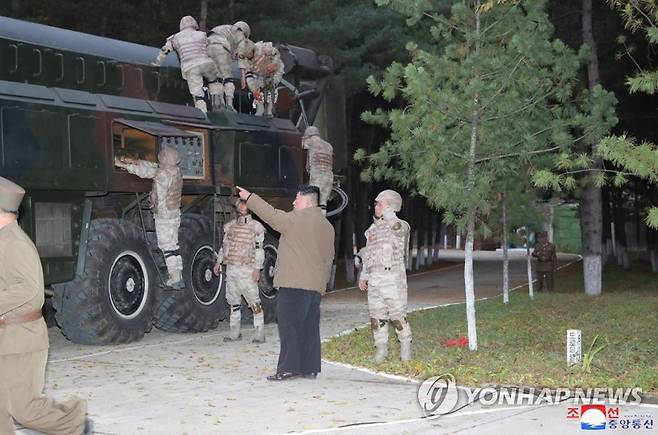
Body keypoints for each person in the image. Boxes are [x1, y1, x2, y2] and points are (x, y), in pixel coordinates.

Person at [0, 176, 93, 435]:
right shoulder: (3, 240)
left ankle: (74, 422)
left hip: (20, 341)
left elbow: (30, 291)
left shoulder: (15, 243)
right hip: (7, 338)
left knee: (23, 408)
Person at [237, 185, 334, 381]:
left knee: (289, 327)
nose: (293, 203)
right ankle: (309, 367)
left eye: (296, 199)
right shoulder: (327, 226)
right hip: (314, 287)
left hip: (293, 284)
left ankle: (289, 368)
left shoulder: (296, 219)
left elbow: (271, 215)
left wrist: (250, 198)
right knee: (309, 327)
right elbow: (328, 258)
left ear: (307, 202)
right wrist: (322, 284)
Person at [115, 147, 184, 289]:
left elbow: (145, 171)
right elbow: (153, 166)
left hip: (164, 217)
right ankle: (178, 275)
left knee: (167, 247)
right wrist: (133, 161)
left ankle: (175, 278)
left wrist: (123, 165)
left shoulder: (163, 174)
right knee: (174, 246)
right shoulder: (175, 171)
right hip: (174, 214)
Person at [358, 190, 412, 362]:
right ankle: (381, 350)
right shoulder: (372, 230)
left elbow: (397, 229)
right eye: (376, 203)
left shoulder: (400, 226)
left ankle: (406, 351)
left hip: (392, 281)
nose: (376, 206)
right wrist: (363, 276)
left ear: (391, 206)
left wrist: (389, 212)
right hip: (375, 281)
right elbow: (369, 254)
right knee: (376, 318)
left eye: (380, 203)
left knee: (397, 317)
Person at [213, 198, 266, 343]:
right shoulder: (230, 227)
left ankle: (259, 332)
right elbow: (224, 247)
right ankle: (234, 332)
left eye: (244, 204)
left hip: (247, 270)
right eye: (239, 204)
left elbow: (259, 250)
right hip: (231, 270)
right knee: (233, 303)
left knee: (254, 303)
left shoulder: (256, 227)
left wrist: (257, 268)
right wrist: (218, 263)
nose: (241, 206)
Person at [153, 15, 222, 113]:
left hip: (190, 67)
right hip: (206, 63)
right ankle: (218, 104)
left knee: (198, 95)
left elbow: (165, 51)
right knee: (214, 81)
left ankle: (203, 113)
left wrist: (157, 64)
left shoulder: (174, 38)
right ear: (194, 24)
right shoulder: (203, 35)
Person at [207, 21, 252, 111]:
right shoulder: (239, 32)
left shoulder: (223, 28)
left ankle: (216, 103)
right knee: (228, 78)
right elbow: (241, 53)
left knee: (216, 77)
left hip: (208, 47)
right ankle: (229, 105)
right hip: (222, 48)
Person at [237, 40, 285, 118]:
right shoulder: (245, 61)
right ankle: (260, 111)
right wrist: (254, 90)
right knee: (258, 91)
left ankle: (269, 112)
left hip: (275, 71)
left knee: (269, 87)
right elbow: (249, 76)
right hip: (260, 74)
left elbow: (276, 53)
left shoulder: (262, 48)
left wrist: (274, 64)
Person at [302, 126, 333, 212]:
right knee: (323, 204)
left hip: (317, 175)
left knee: (313, 202)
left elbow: (301, 146)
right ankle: (322, 221)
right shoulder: (329, 146)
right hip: (329, 177)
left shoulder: (311, 141)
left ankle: (313, 222)